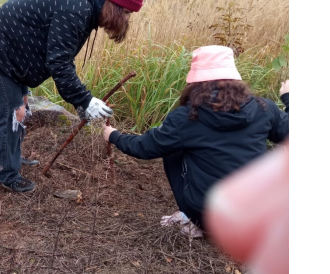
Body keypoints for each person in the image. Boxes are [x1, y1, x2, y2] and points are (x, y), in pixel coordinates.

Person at [0, 0, 145, 192]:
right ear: (115, 4)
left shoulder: (84, 8)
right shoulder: (77, 8)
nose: (126, 19)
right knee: (11, 112)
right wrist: (85, 100)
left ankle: (11, 157)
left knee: (21, 108)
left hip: (15, 52)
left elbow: (60, 57)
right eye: (126, 12)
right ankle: (7, 173)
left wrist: (80, 102)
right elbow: (59, 63)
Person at [103, 46, 289, 237]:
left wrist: (113, 135)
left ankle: (194, 221)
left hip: (209, 218)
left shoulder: (186, 118)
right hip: (255, 216)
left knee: (172, 148)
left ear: (196, 82)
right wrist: (288, 98)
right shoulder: (265, 108)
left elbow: (145, 147)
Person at [205, 138, 289, 274]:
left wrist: (116, 135)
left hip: (199, 204)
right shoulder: (264, 109)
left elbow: (149, 147)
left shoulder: (185, 117)